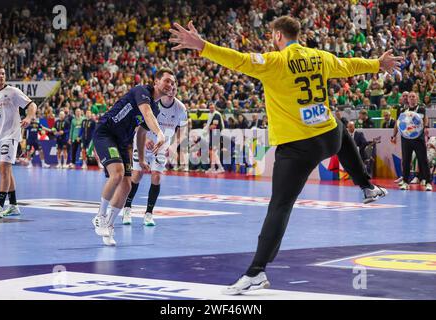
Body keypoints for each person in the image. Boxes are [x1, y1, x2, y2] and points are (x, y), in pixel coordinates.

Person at [170, 16, 399, 295]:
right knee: (340, 127)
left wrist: (202, 46)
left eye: (271, 35)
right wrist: (377, 63)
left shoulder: (275, 62)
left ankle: (256, 271)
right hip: (328, 137)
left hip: (298, 148)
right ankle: (366, 185)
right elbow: (349, 65)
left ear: (278, 35)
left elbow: (239, 60)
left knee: (280, 207)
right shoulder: (319, 57)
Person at [91, 68, 173, 246]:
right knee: (118, 173)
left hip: (123, 142)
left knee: (127, 186)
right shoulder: (141, 91)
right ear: (156, 82)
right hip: (106, 133)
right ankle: (100, 216)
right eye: (167, 81)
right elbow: (146, 113)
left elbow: (142, 134)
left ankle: (109, 226)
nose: (170, 85)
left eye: (173, 83)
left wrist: (141, 159)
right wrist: (159, 133)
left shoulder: (156, 109)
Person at [122, 84, 187, 226]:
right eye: (169, 89)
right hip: (145, 141)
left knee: (156, 176)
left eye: (174, 89)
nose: (171, 92)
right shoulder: (152, 103)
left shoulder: (181, 108)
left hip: (162, 145)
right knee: (137, 175)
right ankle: (127, 208)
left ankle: (149, 214)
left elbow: (183, 129)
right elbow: (137, 124)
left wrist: (173, 145)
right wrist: (145, 139)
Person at [0, 65, 37, 218]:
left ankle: (0, 205)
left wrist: (28, 117)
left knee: (4, 167)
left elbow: (31, 104)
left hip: (10, 135)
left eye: (3, 73)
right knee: (4, 171)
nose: (2, 76)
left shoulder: (13, 91)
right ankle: (13, 205)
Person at [391, 91, 432, 191]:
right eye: (410, 97)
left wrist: (426, 127)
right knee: (406, 161)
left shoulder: (421, 108)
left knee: (423, 160)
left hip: (419, 139)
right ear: (407, 99)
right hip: (406, 139)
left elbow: (425, 119)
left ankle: (428, 182)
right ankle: (405, 182)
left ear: (417, 98)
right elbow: (398, 123)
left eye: (413, 96)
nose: (412, 98)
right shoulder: (402, 110)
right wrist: (394, 135)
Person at [205, 102, 225, 173]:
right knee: (211, 152)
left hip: (216, 134)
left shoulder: (216, 114)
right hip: (212, 134)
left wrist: (206, 128)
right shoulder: (210, 114)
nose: (211, 108)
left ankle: (220, 167)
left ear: (215, 107)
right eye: (210, 107)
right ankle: (212, 167)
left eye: (212, 107)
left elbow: (214, 126)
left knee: (213, 152)